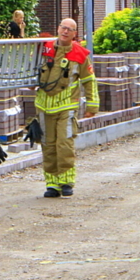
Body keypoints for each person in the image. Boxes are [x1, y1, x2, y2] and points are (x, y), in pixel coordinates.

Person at [35, 18, 98, 198]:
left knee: (64, 144)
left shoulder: (80, 54)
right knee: (48, 145)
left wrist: (92, 105)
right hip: (44, 106)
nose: (65, 31)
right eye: (63, 27)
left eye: (70, 29)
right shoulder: (44, 48)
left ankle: (66, 182)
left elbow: (89, 81)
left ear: (74, 34)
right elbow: (32, 70)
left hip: (66, 106)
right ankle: (52, 184)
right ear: (58, 28)